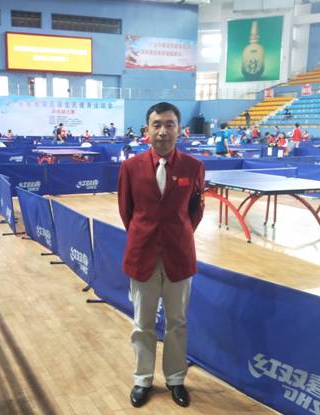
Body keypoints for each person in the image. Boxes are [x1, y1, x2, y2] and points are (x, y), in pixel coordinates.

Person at [117, 102, 204, 409]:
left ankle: (176, 378)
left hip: (179, 256)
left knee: (177, 322)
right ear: (147, 130)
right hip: (142, 256)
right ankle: (143, 379)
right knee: (143, 323)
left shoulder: (193, 167)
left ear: (179, 130)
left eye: (169, 124)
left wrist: (177, 235)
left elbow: (195, 210)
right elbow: (126, 212)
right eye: (157, 125)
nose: (163, 131)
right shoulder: (130, 167)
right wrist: (147, 237)